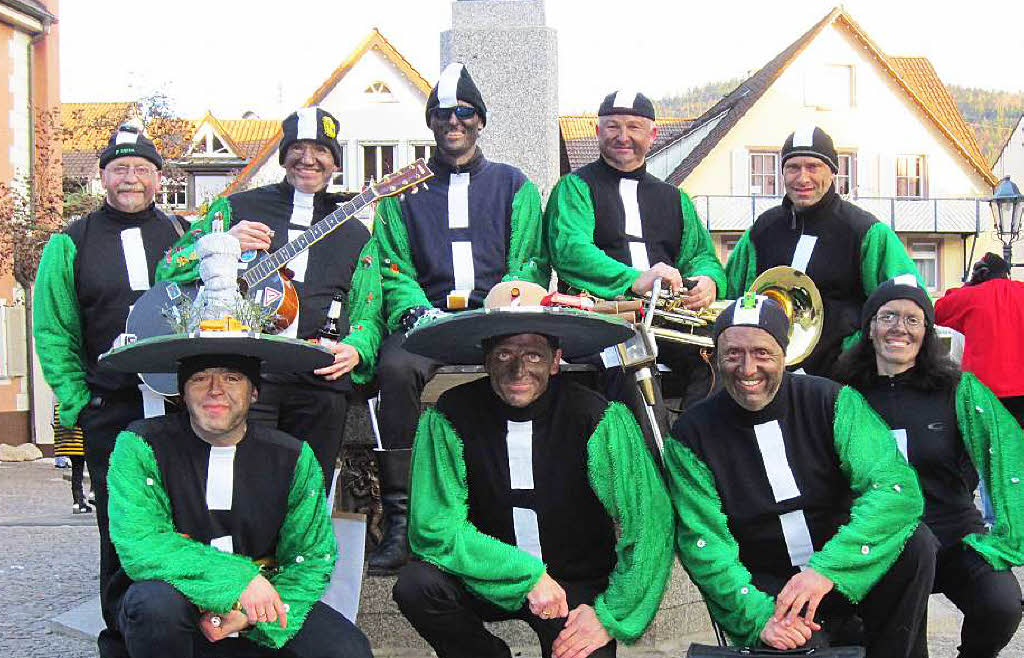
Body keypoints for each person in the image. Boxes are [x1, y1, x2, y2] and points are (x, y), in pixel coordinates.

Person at [392, 291, 673, 658]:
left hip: (576, 589)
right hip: (487, 578)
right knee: (417, 584)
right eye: (503, 353)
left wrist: (609, 617)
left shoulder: (598, 417)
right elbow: (434, 528)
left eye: (533, 354)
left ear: (556, 360)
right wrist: (527, 575)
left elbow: (650, 525)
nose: (518, 368)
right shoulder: (451, 417)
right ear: (485, 358)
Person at [663, 293, 936, 658]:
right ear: (714, 357)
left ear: (784, 355)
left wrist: (829, 568)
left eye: (762, 353)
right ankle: (836, 655)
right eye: (733, 353)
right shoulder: (693, 432)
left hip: (845, 564)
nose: (748, 368)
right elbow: (703, 543)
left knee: (917, 544)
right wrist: (759, 618)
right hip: (769, 584)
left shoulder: (830, 400)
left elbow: (896, 489)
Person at [102, 328, 373, 658]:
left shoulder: (291, 455)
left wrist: (245, 610)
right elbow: (141, 543)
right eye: (200, 379)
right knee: (150, 604)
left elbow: (313, 558)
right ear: (182, 392)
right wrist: (238, 581)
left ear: (253, 393)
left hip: (257, 604)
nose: (215, 391)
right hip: (177, 600)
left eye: (231, 378)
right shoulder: (140, 444)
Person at [358, 62, 548, 575]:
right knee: (394, 370)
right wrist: (418, 310)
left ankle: (510, 508)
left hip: (497, 317)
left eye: (464, 112)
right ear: (431, 124)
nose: (453, 122)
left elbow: (528, 258)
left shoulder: (513, 185)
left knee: (528, 368)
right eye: (442, 114)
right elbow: (392, 264)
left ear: (480, 120)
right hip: (427, 319)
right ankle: (400, 517)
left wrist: (504, 303)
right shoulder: (402, 193)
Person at [33, 121, 190, 658]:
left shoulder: (179, 234)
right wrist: (78, 402)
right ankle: (119, 646)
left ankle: (185, 640)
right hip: (111, 405)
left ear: (157, 179)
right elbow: (52, 328)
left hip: (177, 407)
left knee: (185, 521)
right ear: (102, 177)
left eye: (143, 169)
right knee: (119, 527)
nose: (131, 179)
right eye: (120, 169)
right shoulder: (69, 242)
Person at [834, 277, 1024, 658]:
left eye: (913, 319)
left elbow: (1007, 452)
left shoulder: (959, 390)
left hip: (954, 535)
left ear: (927, 330)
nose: (900, 328)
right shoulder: (842, 395)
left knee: (1002, 603)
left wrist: (1003, 536)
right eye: (888, 317)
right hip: (886, 550)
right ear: (870, 328)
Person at [157, 107, 378, 488]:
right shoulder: (237, 209)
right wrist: (221, 243)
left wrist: (357, 347)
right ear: (283, 155)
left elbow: (369, 310)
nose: (308, 159)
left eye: (320, 151)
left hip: (319, 382)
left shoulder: (356, 233)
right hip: (246, 374)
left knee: (309, 490)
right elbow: (169, 268)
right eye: (298, 148)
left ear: (335, 162)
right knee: (243, 486)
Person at [544, 90, 725, 415]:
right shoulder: (574, 188)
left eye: (634, 127)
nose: (623, 136)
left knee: (723, 356)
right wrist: (636, 280)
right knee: (633, 364)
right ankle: (645, 462)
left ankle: (690, 451)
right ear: (597, 131)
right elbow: (571, 252)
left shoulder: (675, 198)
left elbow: (701, 257)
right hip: (603, 319)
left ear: (653, 134)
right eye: (612, 127)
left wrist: (709, 281)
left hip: (669, 320)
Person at [724, 125, 924, 376]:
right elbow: (730, 290)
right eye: (793, 167)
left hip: (843, 377)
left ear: (833, 172)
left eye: (813, 167)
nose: (802, 178)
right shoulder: (763, 230)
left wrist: (853, 352)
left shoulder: (866, 232)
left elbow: (910, 301)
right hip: (767, 375)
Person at [935, 252, 1024, 428]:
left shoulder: (972, 296)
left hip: (984, 390)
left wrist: (969, 284)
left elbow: (938, 312)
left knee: (989, 448)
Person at [52, 401, 91, 514]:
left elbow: (56, 425)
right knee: (92, 469)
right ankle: (88, 498)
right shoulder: (79, 405)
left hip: (68, 445)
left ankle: (78, 501)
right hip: (80, 444)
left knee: (76, 473)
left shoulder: (60, 407)